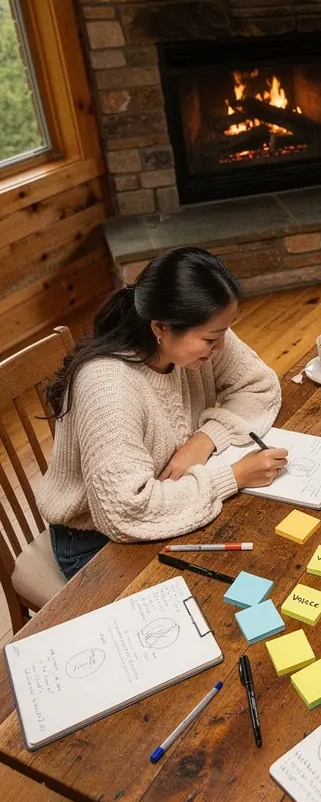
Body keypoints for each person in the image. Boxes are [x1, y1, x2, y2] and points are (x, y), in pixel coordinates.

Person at [38, 247, 287, 579]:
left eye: (225, 331)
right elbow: (124, 511)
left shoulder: (198, 332)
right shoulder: (108, 386)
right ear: (161, 327)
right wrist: (234, 476)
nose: (222, 346)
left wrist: (205, 438)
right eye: (212, 338)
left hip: (168, 494)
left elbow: (259, 386)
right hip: (97, 538)